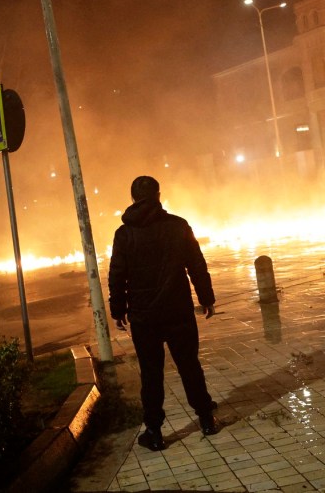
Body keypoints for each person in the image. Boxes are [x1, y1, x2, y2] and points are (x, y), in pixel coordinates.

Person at [108, 175, 218, 452]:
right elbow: (196, 264)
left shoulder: (124, 233)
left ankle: (154, 432)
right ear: (159, 195)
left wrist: (118, 310)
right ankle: (206, 419)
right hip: (178, 311)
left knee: (151, 374)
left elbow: (117, 275)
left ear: (133, 198)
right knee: (189, 366)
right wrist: (207, 299)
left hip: (144, 317)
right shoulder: (177, 226)